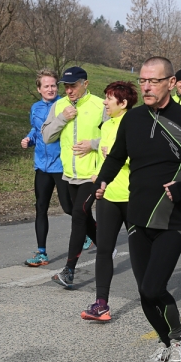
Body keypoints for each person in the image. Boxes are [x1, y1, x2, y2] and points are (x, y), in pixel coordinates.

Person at [95, 56, 181, 362]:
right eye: (142, 81)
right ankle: (166, 343)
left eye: (153, 80)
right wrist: (101, 181)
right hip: (138, 217)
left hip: (173, 217)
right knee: (144, 291)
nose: (146, 86)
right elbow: (116, 157)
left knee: (153, 287)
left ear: (170, 82)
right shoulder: (132, 119)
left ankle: (179, 340)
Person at [42, 66, 106, 288]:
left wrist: (93, 144)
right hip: (68, 174)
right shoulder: (60, 106)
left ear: (85, 84)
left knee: (79, 214)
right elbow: (47, 136)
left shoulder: (100, 105)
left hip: (93, 175)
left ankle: (69, 270)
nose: (69, 91)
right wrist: (62, 118)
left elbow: (114, 137)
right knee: (74, 212)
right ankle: (105, 245)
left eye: (73, 86)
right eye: (66, 86)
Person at [81, 81, 138, 321]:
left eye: (109, 98)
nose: (105, 102)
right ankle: (101, 303)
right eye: (104, 98)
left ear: (123, 103)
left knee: (139, 253)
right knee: (104, 249)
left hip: (132, 197)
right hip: (108, 197)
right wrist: (98, 178)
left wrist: (118, 158)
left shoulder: (135, 125)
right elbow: (103, 159)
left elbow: (140, 159)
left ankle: (153, 297)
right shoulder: (106, 125)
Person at [20, 69, 72, 267]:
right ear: (39, 89)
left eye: (53, 85)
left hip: (61, 164)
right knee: (40, 208)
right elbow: (37, 130)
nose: (51, 89)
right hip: (42, 165)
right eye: (46, 86)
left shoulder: (65, 104)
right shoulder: (35, 108)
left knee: (68, 207)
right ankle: (41, 252)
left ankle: (89, 232)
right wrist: (28, 140)